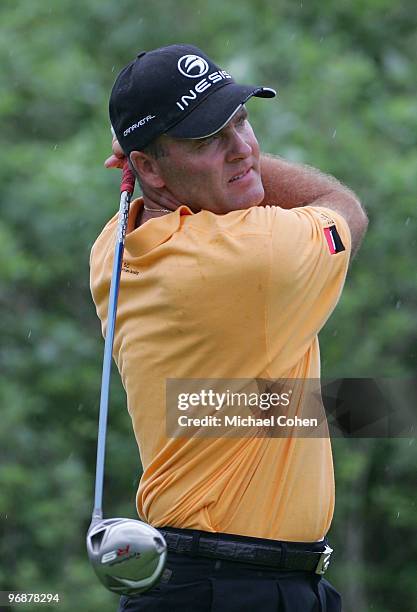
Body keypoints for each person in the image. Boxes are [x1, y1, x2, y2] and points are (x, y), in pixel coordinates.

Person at [90, 44, 368, 611]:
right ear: (145, 167)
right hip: (236, 587)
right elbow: (343, 207)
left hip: (212, 579)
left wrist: (175, 154)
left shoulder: (114, 246)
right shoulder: (254, 257)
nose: (242, 150)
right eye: (207, 138)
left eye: (241, 120)